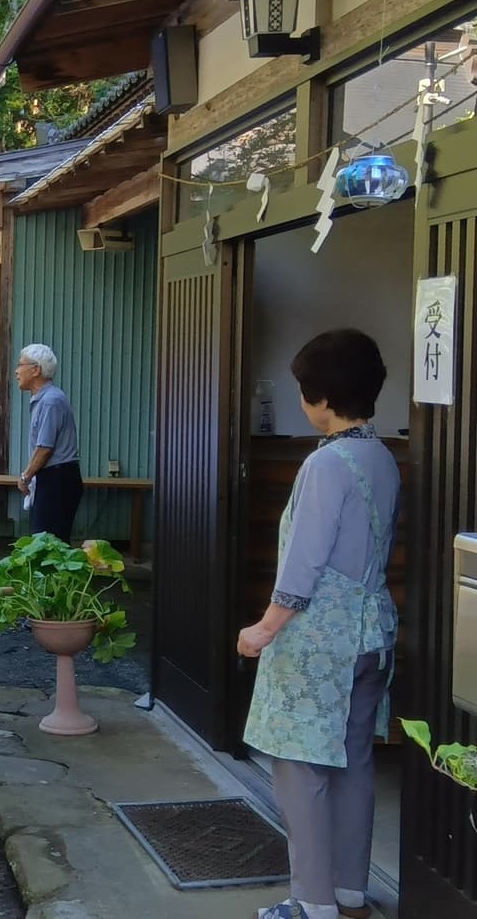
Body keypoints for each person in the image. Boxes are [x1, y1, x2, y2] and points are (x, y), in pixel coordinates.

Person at [238, 329, 399, 919]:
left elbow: (303, 564)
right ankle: (350, 889)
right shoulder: (381, 457)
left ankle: (310, 901)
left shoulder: (325, 464)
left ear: (323, 398)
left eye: (306, 389)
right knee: (355, 759)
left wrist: (263, 628)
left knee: (300, 767)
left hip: (320, 643)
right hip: (373, 633)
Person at [15, 343, 83, 542]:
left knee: (49, 545)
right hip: (54, 478)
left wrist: (26, 476)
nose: (17, 371)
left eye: (21, 365)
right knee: (46, 543)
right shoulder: (45, 399)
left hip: (58, 480)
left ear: (36, 370)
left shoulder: (50, 401)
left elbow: (45, 448)